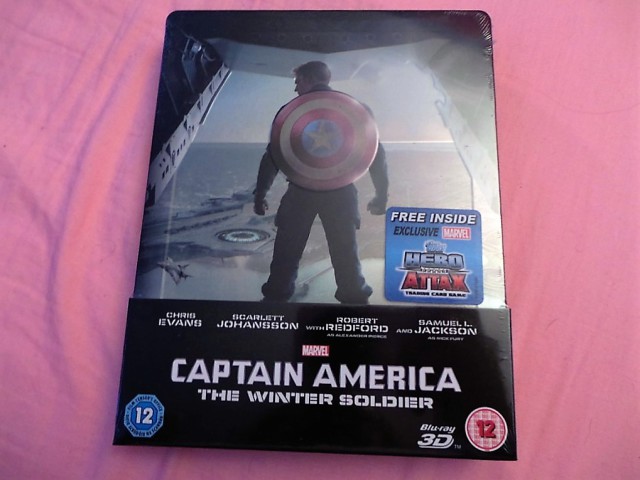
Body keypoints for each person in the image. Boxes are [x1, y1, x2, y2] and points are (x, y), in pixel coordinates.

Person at [254, 61, 388, 304]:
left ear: (308, 79)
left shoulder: (292, 111)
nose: (296, 88)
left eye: (298, 82)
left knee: (286, 255)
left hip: (301, 194)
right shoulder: (356, 109)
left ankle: (275, 302)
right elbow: (376, 154)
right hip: (341, 195)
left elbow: (274, 155)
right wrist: (381, 195)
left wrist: (260, 193)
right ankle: (355, 301)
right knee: (345, 254)